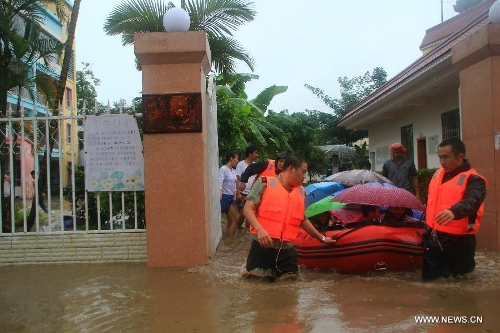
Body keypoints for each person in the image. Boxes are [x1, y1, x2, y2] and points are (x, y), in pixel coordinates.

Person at [243, 155, 335, 281]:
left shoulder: (301, 192)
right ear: (291, 169)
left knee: (291, 285)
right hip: (262, 247)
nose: (304, 176)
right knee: (258, 284)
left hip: (286, 250)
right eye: (303, 172)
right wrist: (260, 230)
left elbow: (302, 219)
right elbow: (247, 209)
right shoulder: (265, 183)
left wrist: (321, 238)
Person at [422, 138, 487, 281]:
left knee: (461, 282)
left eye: (446, 157)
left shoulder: (475, 179)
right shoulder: (437, 174)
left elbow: (472, 200)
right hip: (433, 236)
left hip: (459, 241)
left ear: (460, 157)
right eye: (439, 157)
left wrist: (454, 211)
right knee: (433, 283)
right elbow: (433, 199)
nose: (442, 161)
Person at [235, 145, 259, 229]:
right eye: (255, 153)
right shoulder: (241, 164)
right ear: (250, 154)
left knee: (249, 217)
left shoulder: (255, 165)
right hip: (242, 194)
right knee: (242, 213)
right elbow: (237, 179)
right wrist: (237, 193)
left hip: (251, 195)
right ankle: (237, 228)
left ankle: (244, 235)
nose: (257, 155)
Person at [219, 152, 239, 237]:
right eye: (236, 158)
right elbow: (219, 183)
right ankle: (231, 241)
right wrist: (220, 197)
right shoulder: (223, 169)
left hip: (231, 198)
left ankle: (227, 240)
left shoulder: (233, 171)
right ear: (231, 158)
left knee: (230, 222)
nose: (237, 161)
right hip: (225, 197)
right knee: (235, 220)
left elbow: (234, 185)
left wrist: (235, 195)